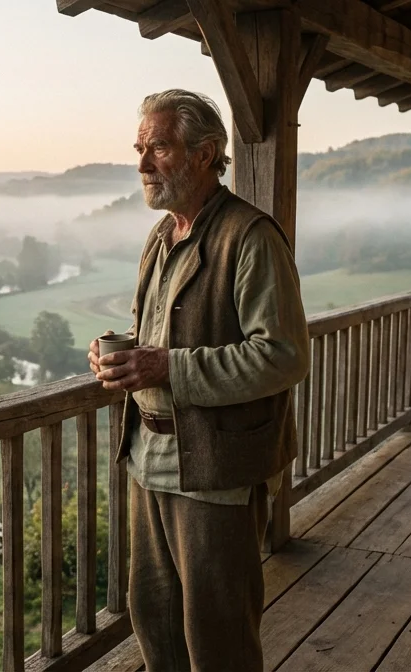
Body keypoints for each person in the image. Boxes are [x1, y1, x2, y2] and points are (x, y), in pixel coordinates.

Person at [87, 89, 310, 670]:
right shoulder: (161, 238)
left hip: (216, 473)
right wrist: (120, 354)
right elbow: (159, 333)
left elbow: (283, 355)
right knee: (156, 623)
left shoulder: (251, 237)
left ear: (206, 154)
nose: (141, 164)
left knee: (219, 638)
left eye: (158, 147)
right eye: (140, 147)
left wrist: (167, 367)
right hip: (149, 460)